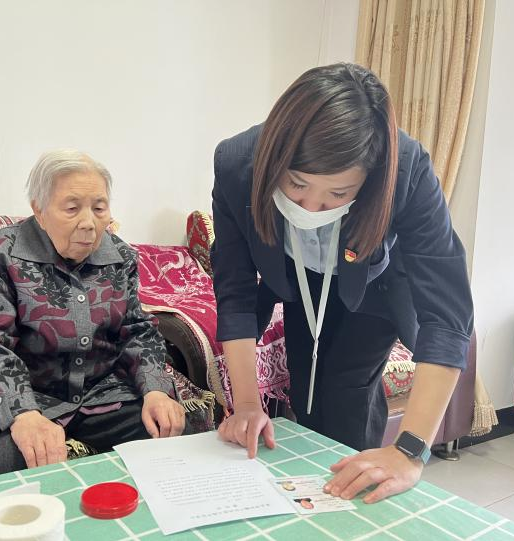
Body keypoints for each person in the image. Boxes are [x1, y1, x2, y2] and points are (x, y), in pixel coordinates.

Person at [211, 63, 473, 504]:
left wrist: (409, 452)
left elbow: (447, 315)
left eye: (337, 194)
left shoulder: (406, 169)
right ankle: (305, 493)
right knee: (304, 390)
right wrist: (248, 407)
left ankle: (352, 494)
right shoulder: (237, 163)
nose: (311, 207)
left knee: (345, 393)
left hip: (372, 285)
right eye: (296, 184)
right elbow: (234, 290)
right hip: (299, 280)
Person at [0, 149, 185, 476]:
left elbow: (137, 330)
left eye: (99, 208)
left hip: (101, 390)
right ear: (39, 209)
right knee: (13, 461)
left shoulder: (121, 256)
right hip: (29, 391)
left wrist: (156, 390)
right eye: (72, 208)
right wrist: (23, 414)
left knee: (171, 437)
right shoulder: (2, 252)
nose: (89, 223)